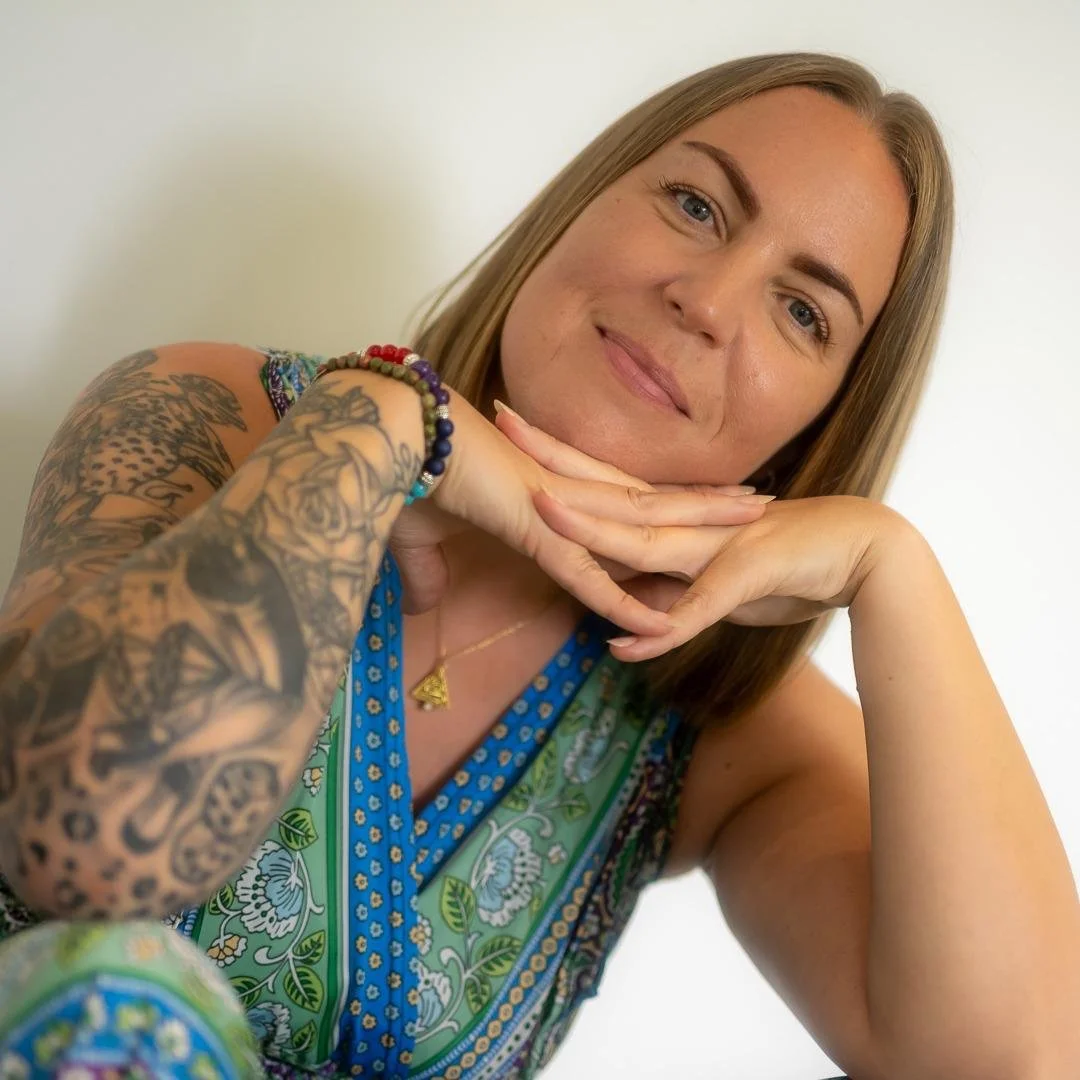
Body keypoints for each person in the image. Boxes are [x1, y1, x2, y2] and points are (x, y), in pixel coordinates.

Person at [0, 49, 1075, 1080]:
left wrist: (896, 572)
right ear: (581, 203)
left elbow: (1016, 1066)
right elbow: (85, 844)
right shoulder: (222, 420)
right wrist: (380, 419)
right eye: (696, 205)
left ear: (821, 423)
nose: (707, 303)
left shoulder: (713, 716)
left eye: (803, 312)